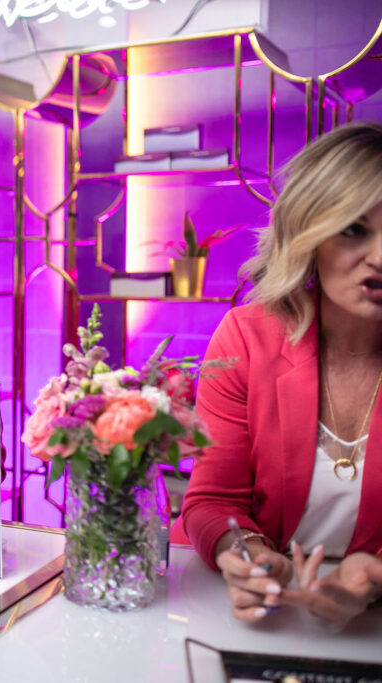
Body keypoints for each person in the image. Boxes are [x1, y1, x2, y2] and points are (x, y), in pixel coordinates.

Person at [181, 121, 382, 628]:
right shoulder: (247, 338)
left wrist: (376, 577)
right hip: (256, 620)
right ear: (308, 234)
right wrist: (247, 552)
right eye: (354, 229)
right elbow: (211, 500)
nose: (380, 257)